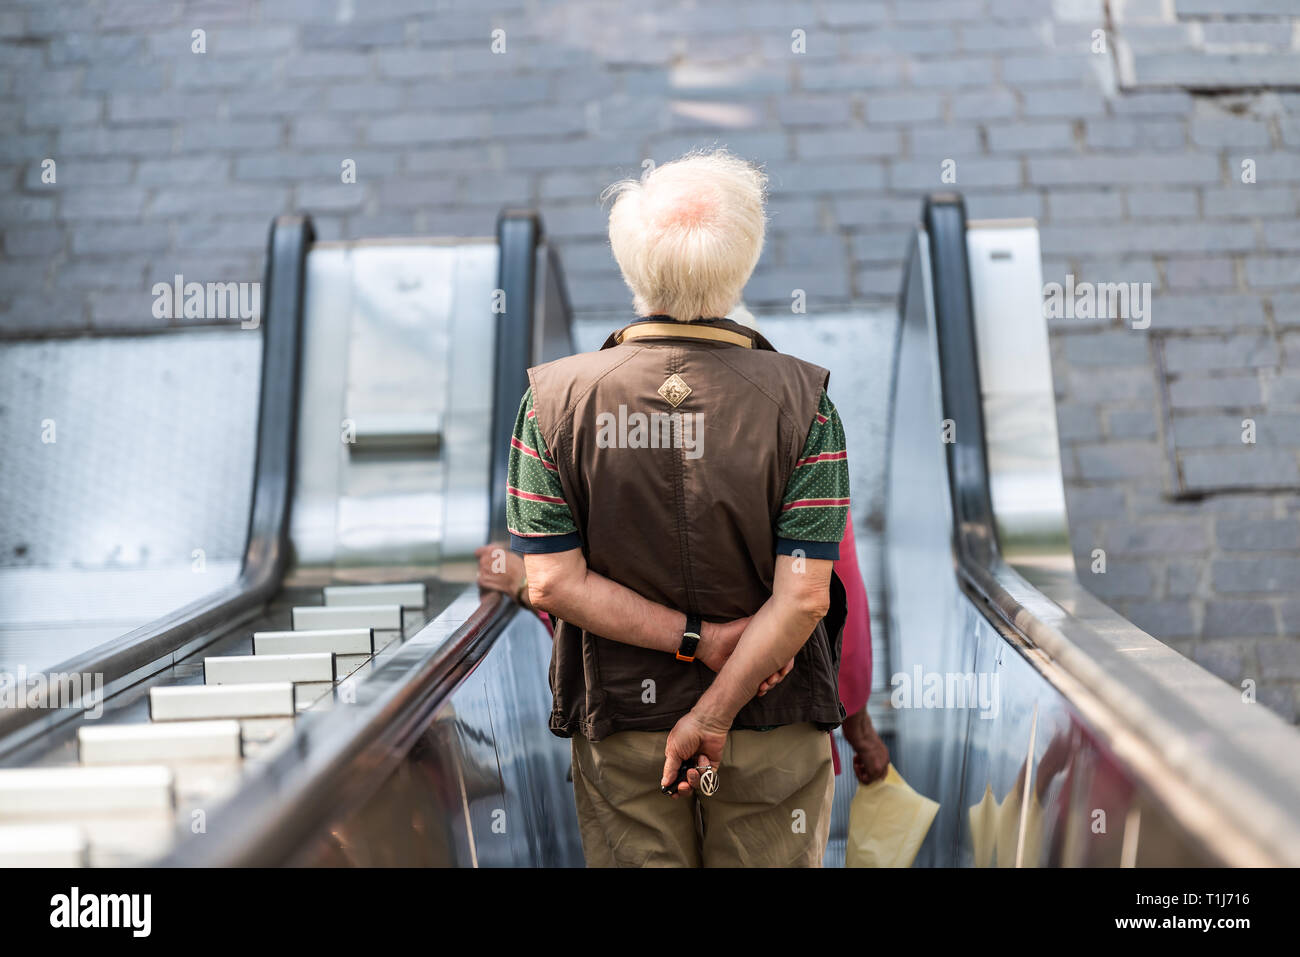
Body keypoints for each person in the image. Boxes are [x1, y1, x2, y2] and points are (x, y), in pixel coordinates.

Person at [503, 149, 851, 867]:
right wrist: (714, 711)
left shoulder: (550, 404)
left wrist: (694, 639)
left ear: (631, 264)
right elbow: (804, 595)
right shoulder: (806, 404)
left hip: (624, 723)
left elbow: (550, 583)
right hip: (770, 724)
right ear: (743, 262)